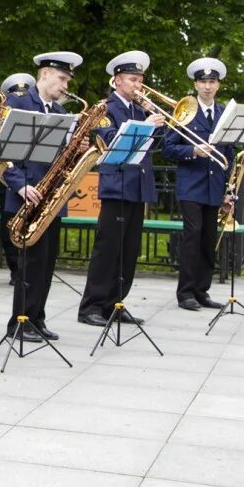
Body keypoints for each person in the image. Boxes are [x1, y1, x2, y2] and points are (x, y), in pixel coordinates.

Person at [77, 50, 166, 326]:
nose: (138, 85)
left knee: (129, 250)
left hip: (138, 187)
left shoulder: (140, 110)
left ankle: (115, 302)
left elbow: (159, 145)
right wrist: (145, 125)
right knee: (108, 249)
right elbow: (111, 140)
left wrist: (159, 122)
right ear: (117, 80)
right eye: (132, 79)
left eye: (140, 79)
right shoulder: (106, 109)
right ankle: (91, 306)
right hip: (116, 186)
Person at [2, 54, 81, 342]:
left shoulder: (61, 111)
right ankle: (19, 322)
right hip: (26, 195)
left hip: (51, 198)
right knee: (28, 264)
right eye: (62, 78)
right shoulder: (18, 102)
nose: (65, 85)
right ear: (45, 73)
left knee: (47, 261)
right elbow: (1, 150)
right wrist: (19, 185)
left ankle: (37, 318)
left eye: (68, 80)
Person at [163, 57, 233, 312]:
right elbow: (168, 148)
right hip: (191, 186)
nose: (207, 86)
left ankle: (202, 291)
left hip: (214, 186)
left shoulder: (225, 112)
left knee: (208, 239)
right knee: (192, 238)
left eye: (212, 81)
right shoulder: (185, 110)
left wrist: (229, 190)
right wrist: (193, 150)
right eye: (203, 81)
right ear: (195, 84)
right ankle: (186, 293)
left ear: (218, 85)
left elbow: (230, 154)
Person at [0, 72, 36, 284]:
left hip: (31, 175)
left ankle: (28, 267)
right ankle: (16, 269)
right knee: (9, 222)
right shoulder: (5, 111)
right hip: (8, 178)